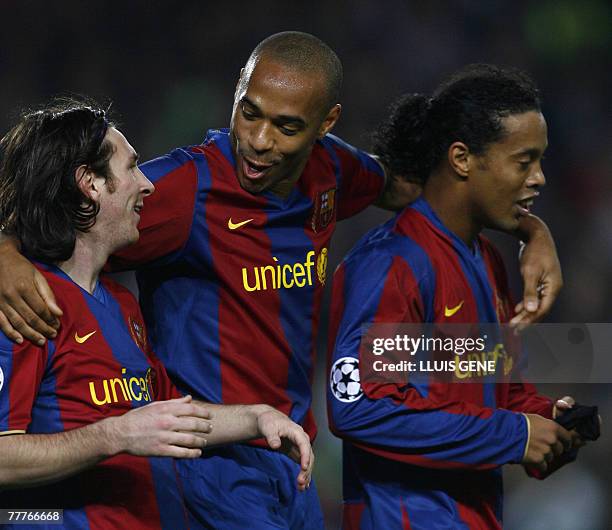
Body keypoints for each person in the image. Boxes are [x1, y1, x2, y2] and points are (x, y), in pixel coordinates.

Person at [0, 33, 562, 528]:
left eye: (287, 126)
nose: (260, 140)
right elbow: (55, 209)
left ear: (326, 125)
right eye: (250, 112)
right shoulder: (183, 188)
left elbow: (436, 190)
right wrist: (4, 251)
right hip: (212, 465)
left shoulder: (334, 172)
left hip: (286, 449)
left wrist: (532, 231)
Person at [0, 100, 313, 530]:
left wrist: (257, 417)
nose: (147, 185)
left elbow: (167, 415)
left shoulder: (122, 304)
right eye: (131, 168)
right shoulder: (25, 304)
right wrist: (115, 436)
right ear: (89, 183)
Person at [327, 64, 591, 529]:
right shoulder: (394, 263)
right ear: (462, 159)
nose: (539, 178)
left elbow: (496, 388)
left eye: (541, 161)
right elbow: (360, 405)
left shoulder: (486, 259)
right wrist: (513, 434)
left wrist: (543, 420)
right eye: (524, 160)